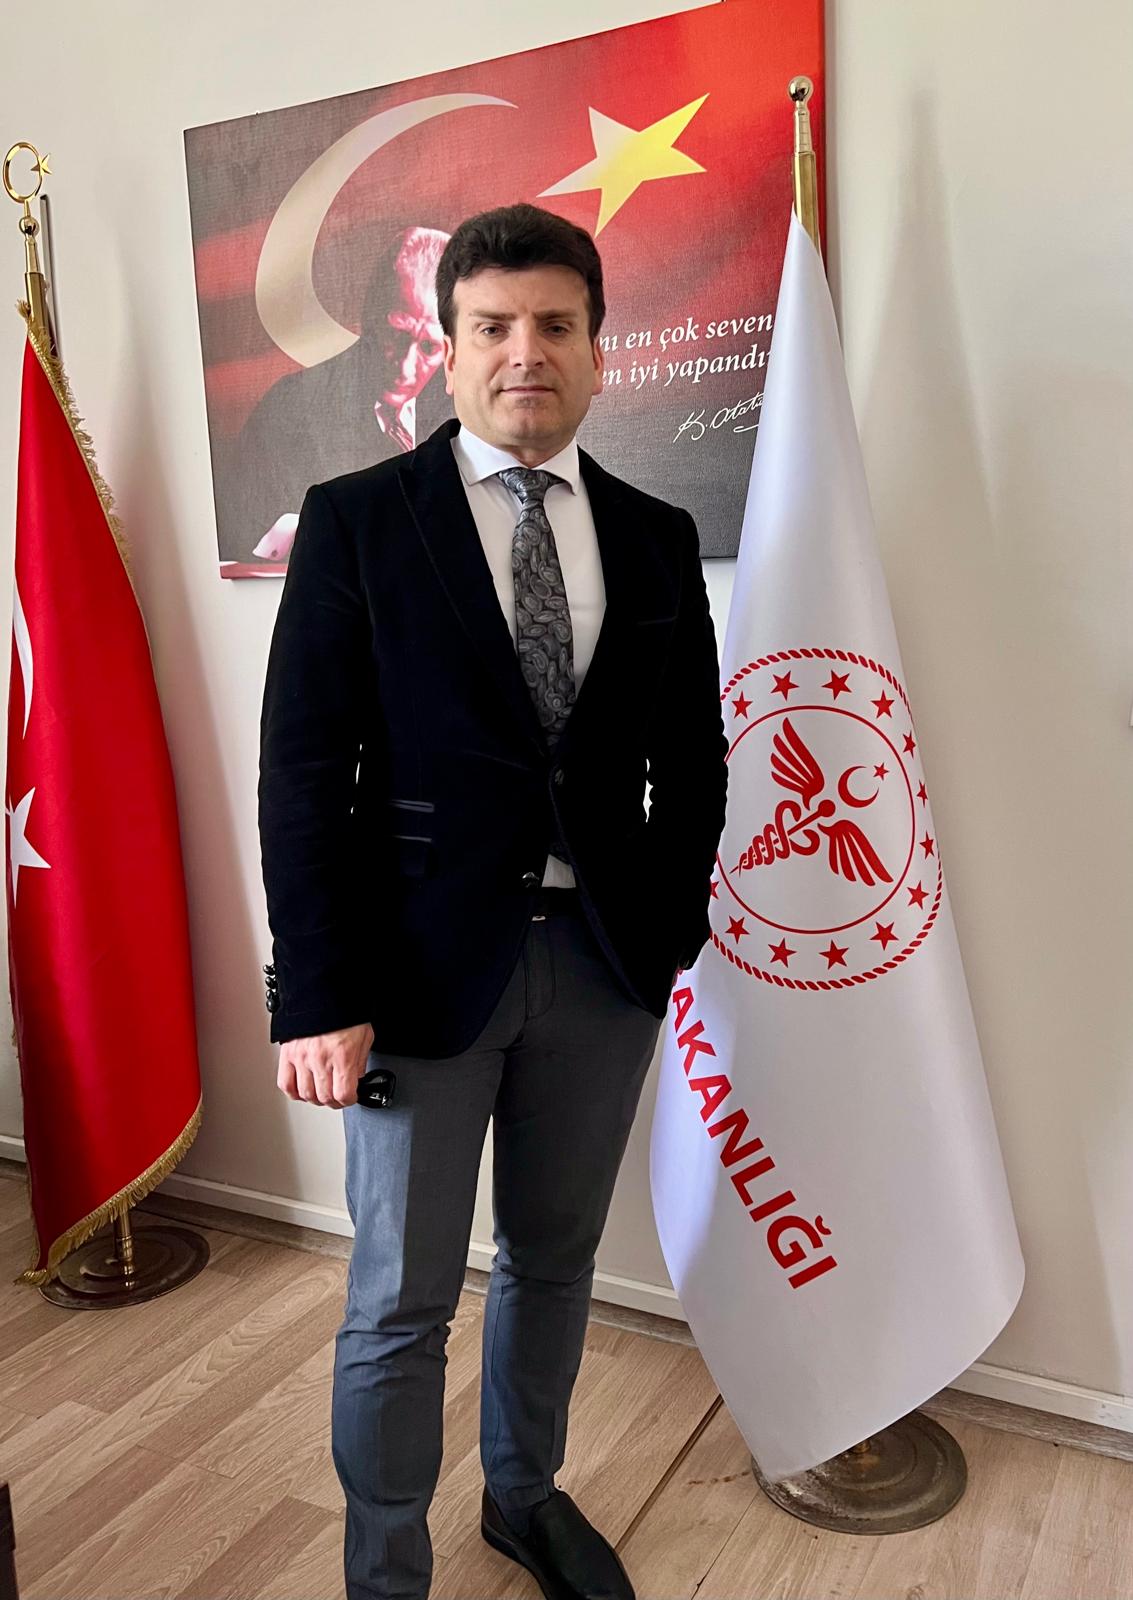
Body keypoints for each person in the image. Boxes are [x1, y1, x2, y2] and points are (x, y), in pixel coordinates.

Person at [258, 202, 728, 1600]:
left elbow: (692, 757)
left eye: (555, 325)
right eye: (494, 326)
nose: (526, 351)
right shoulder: (357, 521)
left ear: (596, 350)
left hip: (601, 968)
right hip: (413, 978)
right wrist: (318, 993)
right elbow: (302, 774)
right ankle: (384, 1570)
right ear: (450, 348)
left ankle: (524, 1497)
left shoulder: (654, 533)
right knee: (400, 1299)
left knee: (552, 1259)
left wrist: (668, 929)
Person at [221, 224, 451, 563]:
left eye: (429, 348)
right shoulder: (289, 409)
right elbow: (236, 536)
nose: (405, 368)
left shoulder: (467, 410)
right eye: (396, 335)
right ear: (369, 318)